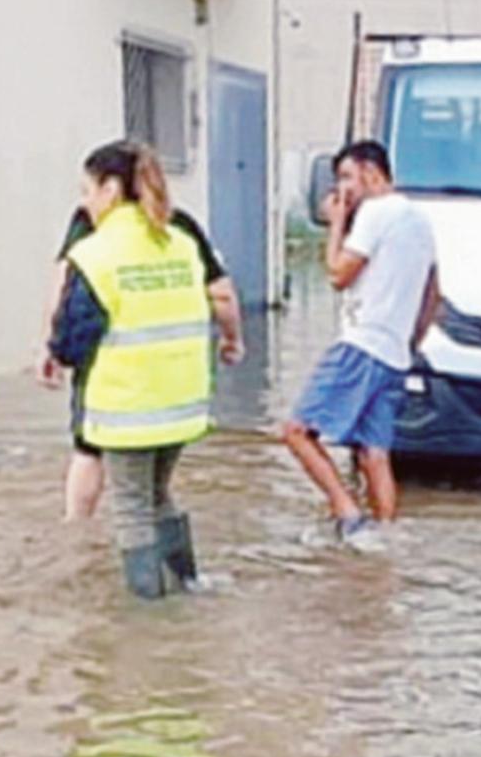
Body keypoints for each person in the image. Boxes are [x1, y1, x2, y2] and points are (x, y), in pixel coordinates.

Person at [47, 140, 243, 598]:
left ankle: (149, 611)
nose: (84, 201)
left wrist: (58, 353)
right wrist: (233, 341)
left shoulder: (96, 254)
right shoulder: (179, 242)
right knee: (159, 496)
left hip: (129, 406)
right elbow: (221, 297)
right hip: (182, 405)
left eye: (88, 190)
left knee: (132, 506)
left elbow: (71, 339)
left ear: (111, 189)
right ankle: (188, 583)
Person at [282, 140, 439, 542]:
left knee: (296, 431)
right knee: (374, 453)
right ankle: (385, 534)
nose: (343, 190)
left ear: (372, 172)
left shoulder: (375, 212)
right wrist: (411, 341)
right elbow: (433, 294)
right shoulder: (420, 220)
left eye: (347, 178)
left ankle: (346, 510)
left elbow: (337, 274)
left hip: (362, 343)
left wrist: (337, 221)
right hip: (394, 355)